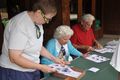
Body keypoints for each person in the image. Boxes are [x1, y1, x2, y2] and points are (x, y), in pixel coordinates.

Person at [0, 0, 65, 80]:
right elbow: (14, 57)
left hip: (31, 69)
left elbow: (37, 46)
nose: (47, 22)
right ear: (38, 13)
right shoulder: (20, 25)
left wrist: (54, 59)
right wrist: (41, 67)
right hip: (16, 71)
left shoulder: (37, 22)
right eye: (47, 19)